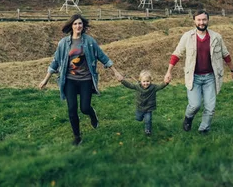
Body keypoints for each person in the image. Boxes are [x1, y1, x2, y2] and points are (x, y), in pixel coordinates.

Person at [39, 14, 121, 145]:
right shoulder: (63, 43)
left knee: (84, 108)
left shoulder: (89, 41)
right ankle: (77, 137)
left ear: (83, 26)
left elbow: (102, 56)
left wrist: (115, 72)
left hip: (86, 79)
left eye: (80, 24)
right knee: (72, 109)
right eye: (75, 24)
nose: (78, 26)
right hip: (70, 80)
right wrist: (45, 79)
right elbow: (55, 62)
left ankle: (92, 114)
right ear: (71, 26)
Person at [164, 10, 233, 134]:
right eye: (199, 20)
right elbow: (177, 54)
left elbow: (225, 55)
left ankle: (203, 130)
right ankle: (188, 118)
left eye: (204, 20)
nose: (201, 22)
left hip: (210, 77)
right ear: (194, 21)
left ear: (208, 20)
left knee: (210, 108)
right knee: (194, 105)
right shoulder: (187, 37)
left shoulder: (216, 37)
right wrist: (169, 72)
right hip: (194, 77)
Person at [116, 69, 169, 136]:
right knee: (138, 118)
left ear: (150, 81)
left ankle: (148, 130)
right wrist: (122, 81)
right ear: (140, 81)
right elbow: (130, 85)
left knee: (148, 120)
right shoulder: (137, 87)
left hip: (149, 108)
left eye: (147, 81)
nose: (146, 83)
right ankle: (142, 117)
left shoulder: (153, 87)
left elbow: (160, 86)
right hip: (140, 107)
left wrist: (165, 83)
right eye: (144, 81)